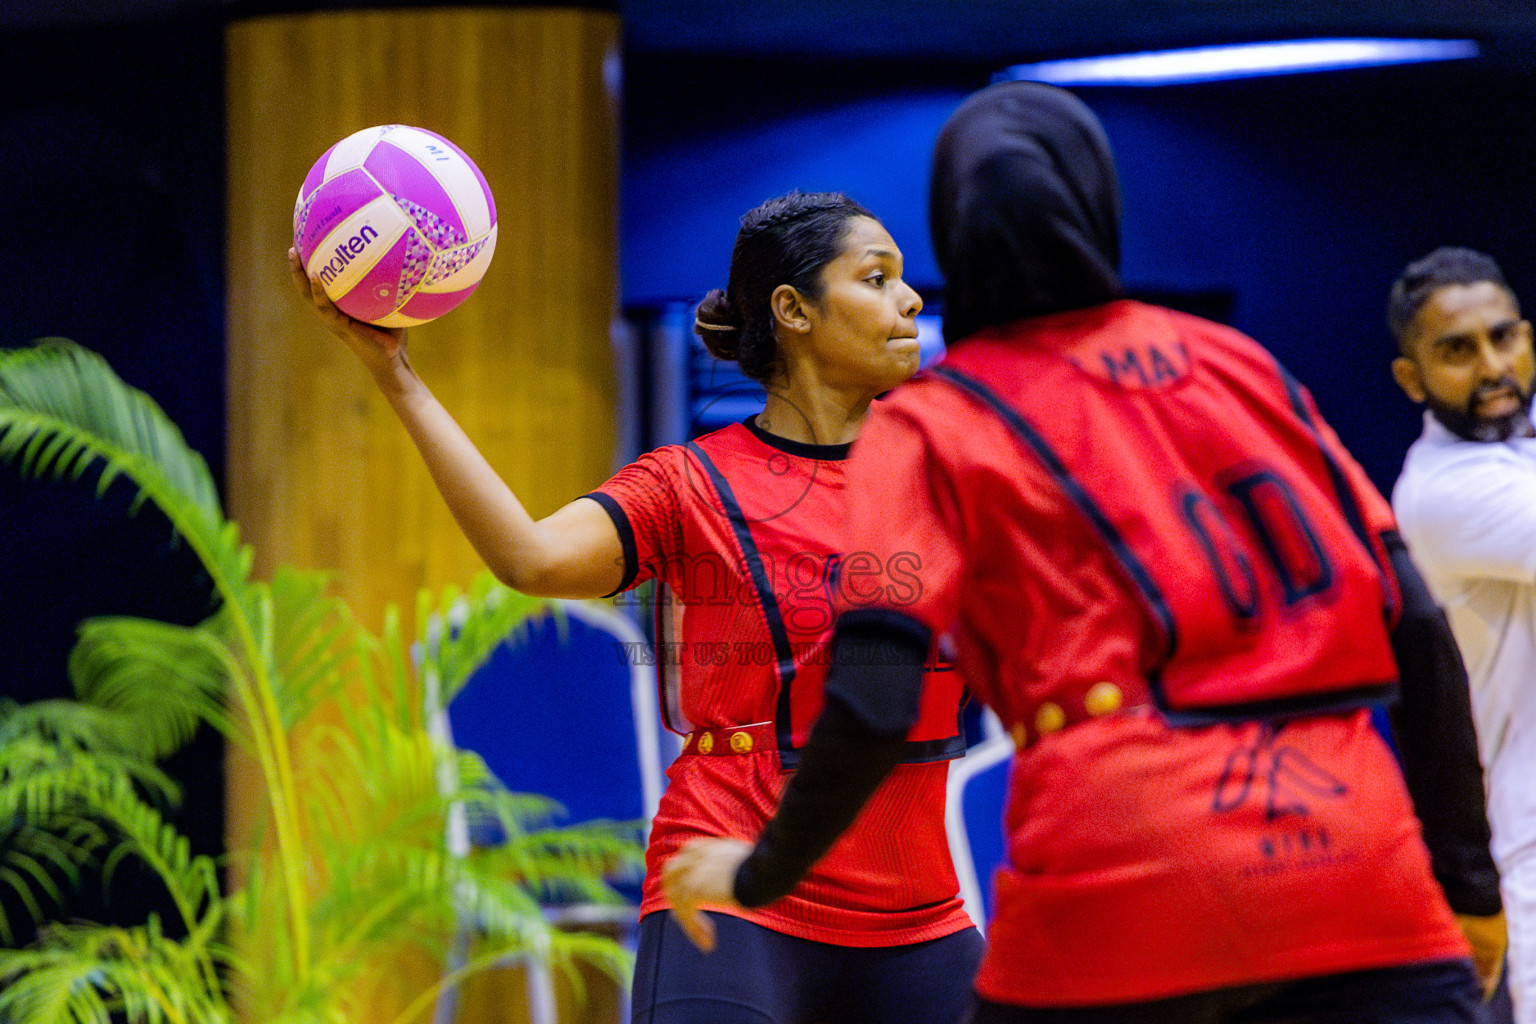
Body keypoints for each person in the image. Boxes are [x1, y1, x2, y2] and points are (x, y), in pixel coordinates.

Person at [662, 82, 1505, 1023]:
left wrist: (764, 869)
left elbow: (871, 698)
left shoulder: (932, 423)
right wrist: (1470, 889)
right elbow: (1418, 627)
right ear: (1099, 200)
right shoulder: (1236, 362)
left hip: (1118, 874)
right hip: (1355, 867)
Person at [289, 188, 984, 1024]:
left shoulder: (947, 476)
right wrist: (396, 379)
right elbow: (530, 557)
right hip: (733, 903)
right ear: (793, 311)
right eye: (877, 278)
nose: (909, 299)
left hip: (922, 919)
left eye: (904, 280)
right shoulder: (690, 484)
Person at [1389, 246, 1535, 1023]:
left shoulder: (1516, 446)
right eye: (1456, 350)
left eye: (1503, 337)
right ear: (1411, 380)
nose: (1490, 367)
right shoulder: (1446, 493)